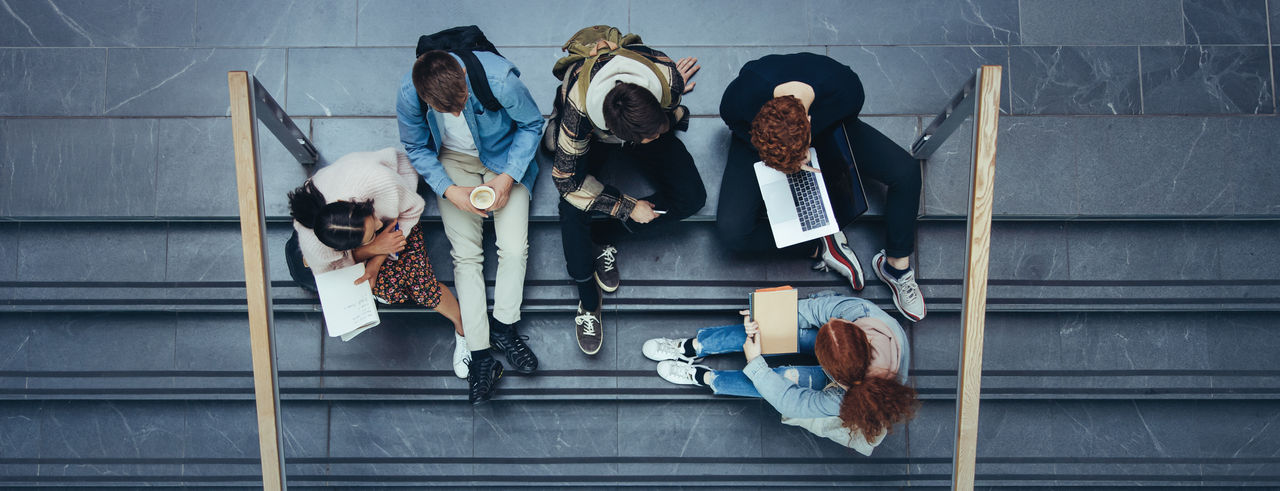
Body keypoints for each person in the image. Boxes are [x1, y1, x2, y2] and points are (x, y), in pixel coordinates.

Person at [717, 53, 926, 321]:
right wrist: (775, 160)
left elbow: (847, 120)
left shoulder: (845, 88)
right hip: (759, 146)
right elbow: (735, 125)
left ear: (809, 121)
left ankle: (896, 266)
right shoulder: (740, 99)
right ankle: (819, 243)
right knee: (733, 233)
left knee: (906, 172)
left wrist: (816, 153)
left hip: (827, 130)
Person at [546, 27, 706, 355]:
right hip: (593, 134)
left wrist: (669, 95)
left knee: (692, 197)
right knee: (570, 208)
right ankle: (589, 300)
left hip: (643, 121)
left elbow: (663, 115)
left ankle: (603, 234)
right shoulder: (579, 112)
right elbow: (565, 181)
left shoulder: (665, 78)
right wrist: (626, 205)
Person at [397, 49, 544, 405]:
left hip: (506, 157)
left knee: (512, 248)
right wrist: (448, 190)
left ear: (463, 74)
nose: (458, 113)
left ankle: (505, 328)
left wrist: (508, 178)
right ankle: (480, 355)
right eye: (446, 110)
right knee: (465, 256)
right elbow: (416, 146)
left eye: (462, 102)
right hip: (453, 165)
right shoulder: (409, 95)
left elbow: (532, 124)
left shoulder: (500, 82)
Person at [641, 293, 916, 454]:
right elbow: (819, 310)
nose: (835, 320)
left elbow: (790, 400)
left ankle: (707, 377)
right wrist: (769, 318)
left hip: (851, 387)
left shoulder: (845, 400)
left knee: (780, 380)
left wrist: (756, 362)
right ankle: (694, 346)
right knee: (767, 330)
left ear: (836, 378)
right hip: (849, 364)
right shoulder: (863, 314)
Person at [287, 147, 467, 385]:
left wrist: (379, 251)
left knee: (421, 289)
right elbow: (334, 270)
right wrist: (373, 249)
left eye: (372, 226)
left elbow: (410, 211)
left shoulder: (380, 183)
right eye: (368, 237)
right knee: (389, 290)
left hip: (398, 212)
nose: (376, 228)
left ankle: (464, 329)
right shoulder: (315, 246)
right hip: (369, 244)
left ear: (348, 203)